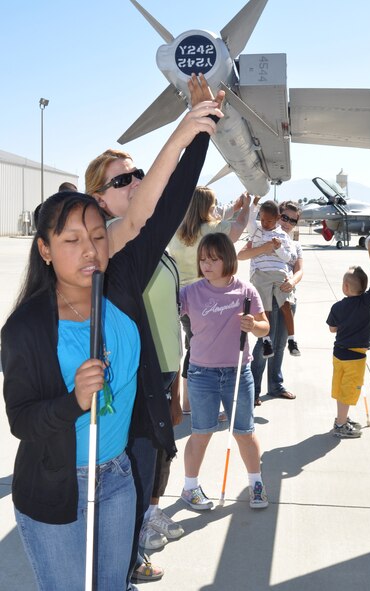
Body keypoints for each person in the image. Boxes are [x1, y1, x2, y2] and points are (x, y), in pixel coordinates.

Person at [1, 86, 223, 591]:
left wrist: (196, 127)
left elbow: (160, 207)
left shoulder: (119, 281)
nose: (90, 251)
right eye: (72, 241)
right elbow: (22, 421)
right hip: (59, 487)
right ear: (45, 250)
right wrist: (74, 400)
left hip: (119, 477)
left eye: (98, 237)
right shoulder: (27, 327)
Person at [85, 74, 222, 588]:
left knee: (146, 486)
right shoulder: (104, 256)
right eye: (123, 180)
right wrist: (196, 127)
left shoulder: (145, 250)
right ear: (98, 200)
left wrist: (174, 376)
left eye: (138, 172)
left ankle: (129, 559)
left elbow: (169, 201)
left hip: (151, 382)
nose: (137, 181)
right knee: (124, 504)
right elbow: (169, 199)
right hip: (113, 407)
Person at [179, 232, 270, 511]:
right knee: (201, 432)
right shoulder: (190, 292)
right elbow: (166, 312)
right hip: (201, 374)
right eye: (203, 259)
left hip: (238, 373)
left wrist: (253, 324)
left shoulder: (245, 291)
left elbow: (265, 327)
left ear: (228, 259)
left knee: (244, 432)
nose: (206, 264)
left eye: (213, 259)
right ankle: (190, 487)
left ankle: (256, 483)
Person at [168, 186, 251, 413]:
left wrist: (232, 207)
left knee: (191, 347)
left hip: (181, 298)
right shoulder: (215, 229)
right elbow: (240, 225)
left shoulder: (177, 230)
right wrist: (245, 207)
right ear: (208, 208)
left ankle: (186, 401)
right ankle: (197, 402)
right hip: (207, 297)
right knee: (205, 352)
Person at [239, 201, 304, 403]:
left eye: (292, 220)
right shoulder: (261, 233)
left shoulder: (293, 243)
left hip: (285, 295)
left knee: (281, 342)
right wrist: (267, 247)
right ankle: (254, 390)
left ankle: (275, 385)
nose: (287, 223)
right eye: (285, 217)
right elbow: (242, 254)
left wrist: (292, 282)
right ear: (278, 215)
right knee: (263, 342)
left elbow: (299, 269)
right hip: (265, 292)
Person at [326, 241, 370, 438]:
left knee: (342, 387)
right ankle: (341, 424)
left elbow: (332, 329)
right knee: (348, 391)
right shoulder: (367, 302)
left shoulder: (337, 307)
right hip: (355, 357)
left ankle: (341, 419)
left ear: (346, 286)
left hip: (339, 354)